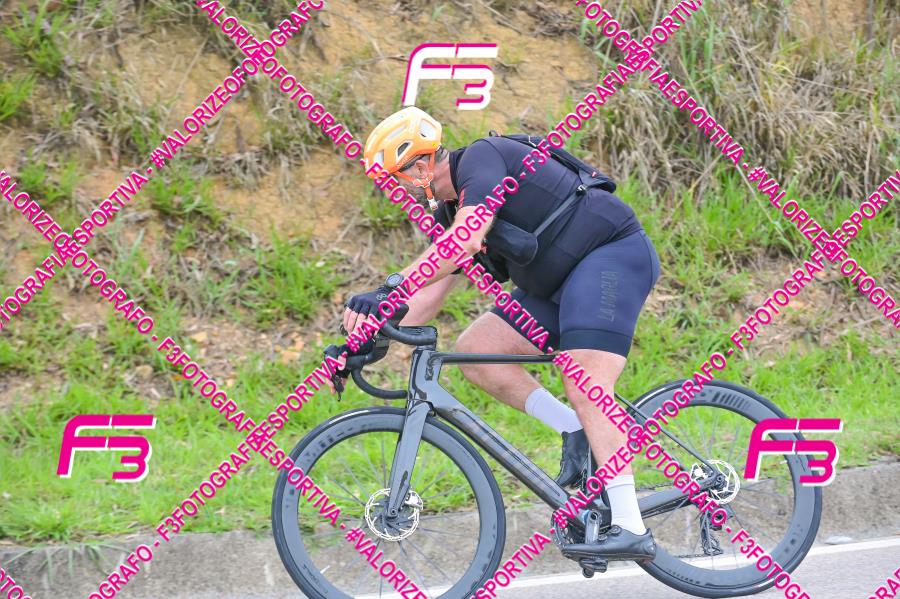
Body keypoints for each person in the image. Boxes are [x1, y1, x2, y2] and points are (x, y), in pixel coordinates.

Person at [341, 106, 661, 560]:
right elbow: (428, 295)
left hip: (611, 257)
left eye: (397, 178)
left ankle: (630, 526)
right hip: (557, 286)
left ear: (421, 166)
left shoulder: (483, 159)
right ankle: (574, 429)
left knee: (585, 381)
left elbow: (467, 239)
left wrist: (390, 287)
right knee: (479, 350)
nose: (397, 189)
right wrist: (363, 340)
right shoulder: (448, 211)